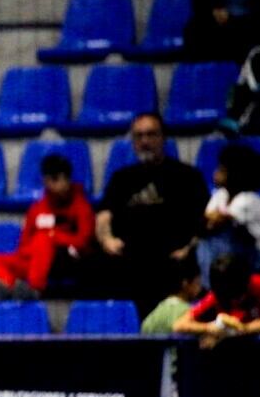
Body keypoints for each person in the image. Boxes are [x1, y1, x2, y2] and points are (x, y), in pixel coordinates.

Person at [97, 113, 211, 316]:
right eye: (139, 136)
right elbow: (104, 216)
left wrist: (189, 247)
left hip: (173, 263)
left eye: (151, 135)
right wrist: (107, 240)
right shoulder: (121, 178)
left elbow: (207, 220)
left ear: (163, 138)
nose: (145, 141)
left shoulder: (187, 176)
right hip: (130, 262)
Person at [0, 152, 94, 298]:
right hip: (36, 260)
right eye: (55, 179)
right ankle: (8, 288)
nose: (61, 184)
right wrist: (35, 248)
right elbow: (23, 245)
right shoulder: (37, 209)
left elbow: (84, 242)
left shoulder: (82, 207)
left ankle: (35, 289)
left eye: (65, 178)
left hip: (65, 261)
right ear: (46, 181)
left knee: (43, 238)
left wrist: (54, 237)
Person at [172, 252, 260, 347]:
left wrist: (244, 329)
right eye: (229, 297)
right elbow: (179, 325)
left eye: (238, 296)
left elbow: (240, 328)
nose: (235, 301)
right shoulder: (216, 294)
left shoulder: (257, 284)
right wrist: (209, 328)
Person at [199, 141, 260, 276]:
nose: (215, 173)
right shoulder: (221, 194)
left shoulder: (249, 199)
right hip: (228, 258)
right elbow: (206, 220)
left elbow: (220, 219)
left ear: (235, 174)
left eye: (221, 169)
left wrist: (211, 219)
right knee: (204, 241)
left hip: (252, 260)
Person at [140, 253, 202, 335]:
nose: (200, 287)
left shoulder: (151, 317)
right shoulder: (190, 314)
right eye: (197, 283)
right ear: (185, 284)